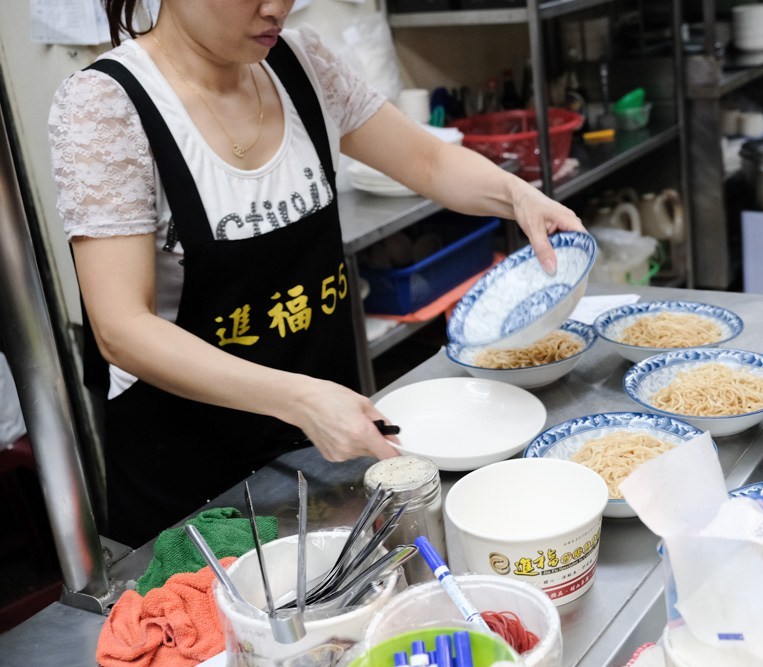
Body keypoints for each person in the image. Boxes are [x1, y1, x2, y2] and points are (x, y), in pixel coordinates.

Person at [48, 0, 585, 547]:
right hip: (194, 489)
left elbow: (428, 162)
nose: (277, 7)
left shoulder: (302, 64)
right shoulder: (108, 106)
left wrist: (518, 197)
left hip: (328, 463)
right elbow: (122, 328)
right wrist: (303, 401)